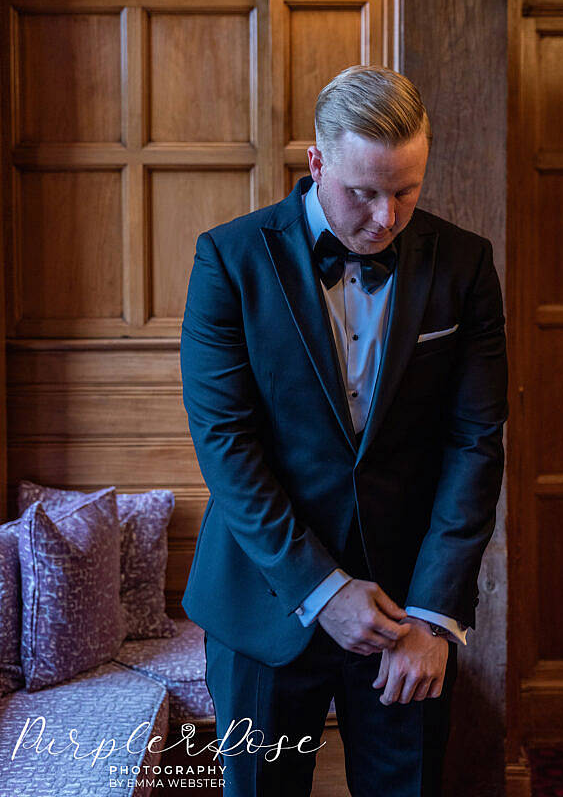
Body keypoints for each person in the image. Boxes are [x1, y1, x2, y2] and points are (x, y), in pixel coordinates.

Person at [180, 65, 508, 796]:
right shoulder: (231, 260)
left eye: (406, 190)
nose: (386, 216)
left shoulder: (464, 265)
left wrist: (432, 614)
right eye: (363, 192)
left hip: (407, 616)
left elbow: (474, 444)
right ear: (317, 162)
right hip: (266, 602)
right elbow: (227, 445)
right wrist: (322, 591)